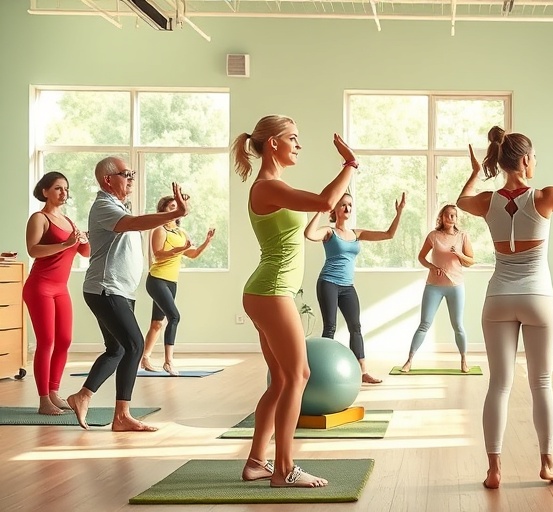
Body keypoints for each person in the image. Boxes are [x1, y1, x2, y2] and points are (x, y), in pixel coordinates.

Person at [457, 126, 553, 489]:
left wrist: (476, 172)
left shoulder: (487, 202)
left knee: (499, 385)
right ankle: (548, 464)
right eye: (534, 156)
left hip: (497, 299)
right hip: (537, 298)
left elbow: (462, 200)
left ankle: (494, 470)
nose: (536, 161)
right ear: (525, 160)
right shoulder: (544, 197)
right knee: (541, 383)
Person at [232, 115, 355, 488]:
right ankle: (284, 470)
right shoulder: (268, 187)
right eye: (293, 138)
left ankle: (257, 462)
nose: (299, 145)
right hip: (272, 291)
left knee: (282, 380)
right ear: (273, 143)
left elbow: (318, 206)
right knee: (298, 376)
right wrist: (350, 164)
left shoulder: (274, 187)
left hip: (267, 291)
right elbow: (326, 200)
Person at [65, 157, 189, 432]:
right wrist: (172, 214)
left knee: (117, 349)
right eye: (126, 174)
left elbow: (134, 222)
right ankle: (121, 415)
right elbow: (134, 223)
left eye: (132, 173)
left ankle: (82, 396)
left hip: (119, 290)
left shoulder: (118, 205)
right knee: (134, 345)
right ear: (108, 180)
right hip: (106, 289)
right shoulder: (104, 206)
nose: (131, 178)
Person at [304, 191, 406, 384]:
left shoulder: (356, 234)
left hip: (347, 287)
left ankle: (363, 371)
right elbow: (309, 234)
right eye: (343, 204)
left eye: (350, 204)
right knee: (330, 327)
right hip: (328, 282)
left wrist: (399, 212)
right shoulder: (329, 232)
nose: (347, 208)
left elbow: (388, 234)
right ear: (335, 209)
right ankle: (325, 372)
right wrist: (320, 210)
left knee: (356, 327)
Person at [24, 172, 90, 415]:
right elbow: (33, 250)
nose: (64, 193)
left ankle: (54, 392)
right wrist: (64, 244)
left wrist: (83, 239)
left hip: (60, 289)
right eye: (58, 188)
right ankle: (44, 400)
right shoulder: (39, 218)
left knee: (64, 340)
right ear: (45, 192)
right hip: (39, 287)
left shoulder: (69, 221)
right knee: (46, 342)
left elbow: (85, 253)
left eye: (66, 189)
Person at [140, 196, 216, 376]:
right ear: (163, 210)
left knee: (157, 323)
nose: (175, 209)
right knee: (174, 317)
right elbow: (159, 254)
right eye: (171, 207)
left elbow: (193, 254)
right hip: (157, 279)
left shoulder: (182, 233)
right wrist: (180, 249)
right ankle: (168, 362)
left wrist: (207, 241)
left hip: (171, 282)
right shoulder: (160, 230)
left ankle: (145, 358)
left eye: (177, 206)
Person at [399, 205, 475, 373]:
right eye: (447, 215)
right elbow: (421, 257)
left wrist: (459, 254)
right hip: (434, 286)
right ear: (441, 217)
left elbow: (470, 261)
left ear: (457, 218)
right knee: (424, 324)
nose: (450, 218)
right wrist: (431, 267)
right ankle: (409, 360)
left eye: (453, 215)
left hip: (456, 286)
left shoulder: (463, 236)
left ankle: (464, 360)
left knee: (458, 325)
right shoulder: (433, 236)